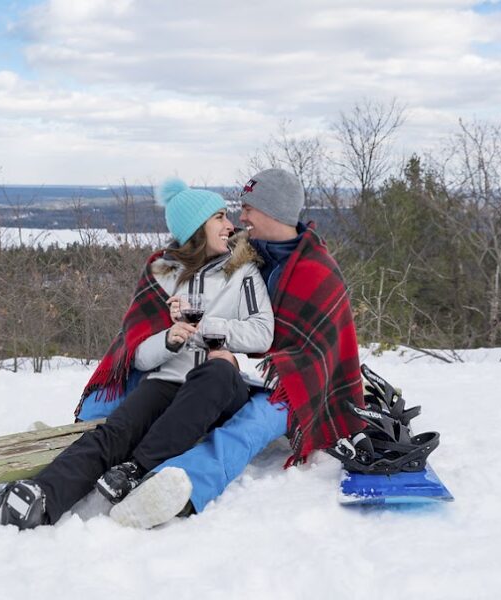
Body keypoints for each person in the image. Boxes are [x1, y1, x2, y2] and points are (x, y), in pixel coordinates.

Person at [0, 178, 274, 529]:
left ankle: (136, 468)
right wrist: (170, 339)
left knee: (216, 374)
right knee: (117, 431)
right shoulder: (162, 274)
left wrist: (206, 328)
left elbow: (262, 333)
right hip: (169, 380)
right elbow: (139, 356)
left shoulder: (243, 270)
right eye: (219, 218)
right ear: (196, 228)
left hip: (221, 387)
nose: (230, 225)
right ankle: (43, 496)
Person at [109, 168, 366, 529]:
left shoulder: (316, 269)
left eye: (248, 209)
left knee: (250, 425)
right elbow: (196, 258)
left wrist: (240, 359)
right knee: (130, 389)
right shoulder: (244, 253)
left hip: (292, 383)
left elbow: (316, 355)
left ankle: (180, 484)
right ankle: (93, 442)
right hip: (225, 370)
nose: (240, 218)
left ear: (273, 211)